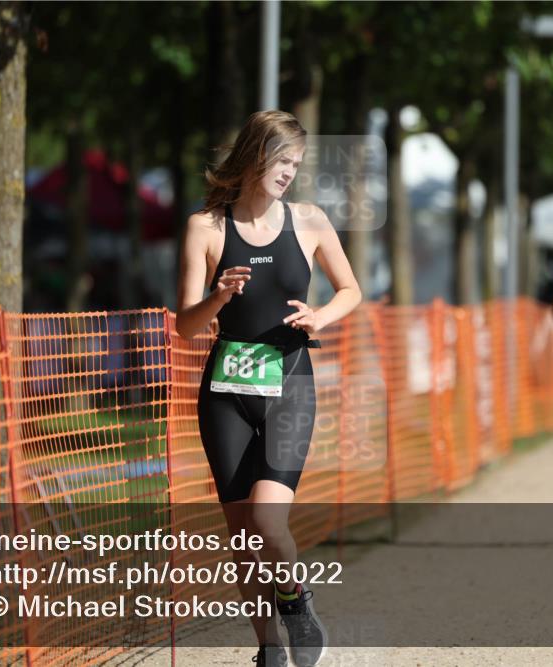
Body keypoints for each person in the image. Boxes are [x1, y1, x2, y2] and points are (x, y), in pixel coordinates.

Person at [175, 110, 362, 667]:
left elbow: (350, 288)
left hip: (290, 386)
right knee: (242, 537)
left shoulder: (308, 221)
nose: (290, 174)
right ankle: (269, 648)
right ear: (257, 155)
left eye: (296, 165)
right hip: (225, 393)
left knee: (267, 524)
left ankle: (295, 598)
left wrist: (322, 318)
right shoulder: (205, 227)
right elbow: (185, 325)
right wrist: (217, 298)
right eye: (283, 162)